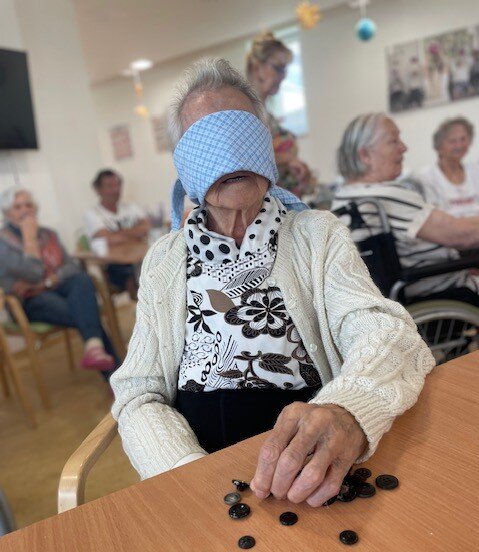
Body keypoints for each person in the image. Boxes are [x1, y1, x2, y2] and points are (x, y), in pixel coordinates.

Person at [111, 59, 434, 508]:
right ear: (185, 165)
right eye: (207, 142)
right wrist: (185, 472)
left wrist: (347, 409)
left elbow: (385, 332)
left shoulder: (317, 235)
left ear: (264, 146)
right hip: (200, 477)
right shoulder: (164, 261)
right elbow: (138, 393)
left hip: (312, 465)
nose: (229, 154)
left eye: (241, 133)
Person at [332, 113, 479, 303]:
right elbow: (462, 235)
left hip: (415, 290)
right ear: (365, 155)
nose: (404, 148)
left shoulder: (345, 196)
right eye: (393, 141)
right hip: (445, 292)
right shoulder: (386, 195)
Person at [0, 186, 119, 375]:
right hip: (29, 301)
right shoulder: (3, 243)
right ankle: (115, 373)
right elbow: (34, 274)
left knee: (81, 279)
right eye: (18, 207)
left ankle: (95, 350)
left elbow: (72, 266)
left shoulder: (49, 234)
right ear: (7, 213)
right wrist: (30, 239)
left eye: (29, 205)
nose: (25, 211)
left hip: (58, 288)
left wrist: (50, 280)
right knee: (85, 311)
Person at [246, 32, 316, 199]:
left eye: (285, 69)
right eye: (278, 68)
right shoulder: (245, 112)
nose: (283, 76)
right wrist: (287, 159)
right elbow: (245, 162)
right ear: (257, 67)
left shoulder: (266, 114)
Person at [84, 169, 151, 296]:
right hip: (113, 265)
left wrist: (121, 234)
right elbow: (109, 239)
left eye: (118, 185)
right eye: (110, 186)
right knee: (134, 272)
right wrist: (134, 234)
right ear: (98, 189)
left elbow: (146, 227)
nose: (116, 190)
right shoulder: (92, 214)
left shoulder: (130, 207)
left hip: (138, 256)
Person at [416, 117, 479, 219]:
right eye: (452, 141)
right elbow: (434, 219)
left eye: (463, 139)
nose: (459, 145)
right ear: (439, 146)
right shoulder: (426, 177)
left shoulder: (476, 170)